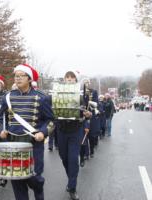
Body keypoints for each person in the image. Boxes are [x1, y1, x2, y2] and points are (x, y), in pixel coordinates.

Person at [0, 64, 54, 200]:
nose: (17, 78)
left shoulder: (41, 97)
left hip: (33, 143)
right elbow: (0, 117)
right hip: (13, 144)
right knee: (17, 181)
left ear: (29, 79)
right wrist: (1, 129)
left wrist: (43, 133)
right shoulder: (8, 97)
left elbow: (51, 121)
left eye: (21, 76)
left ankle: (39, 190)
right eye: (16, 76)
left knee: (35, 178)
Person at [56, 70, 91, 200]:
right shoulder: (58, 92)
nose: (70, 80)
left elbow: (88, 111)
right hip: (61, 129)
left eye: (72, 78)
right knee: (64, 157)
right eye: (67, 78)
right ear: (64, 80)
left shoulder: (82, 92)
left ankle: (72, 187)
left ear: (75, 80)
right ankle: (71, 178)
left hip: (76, 129)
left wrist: (88, 115)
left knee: (73, 160)